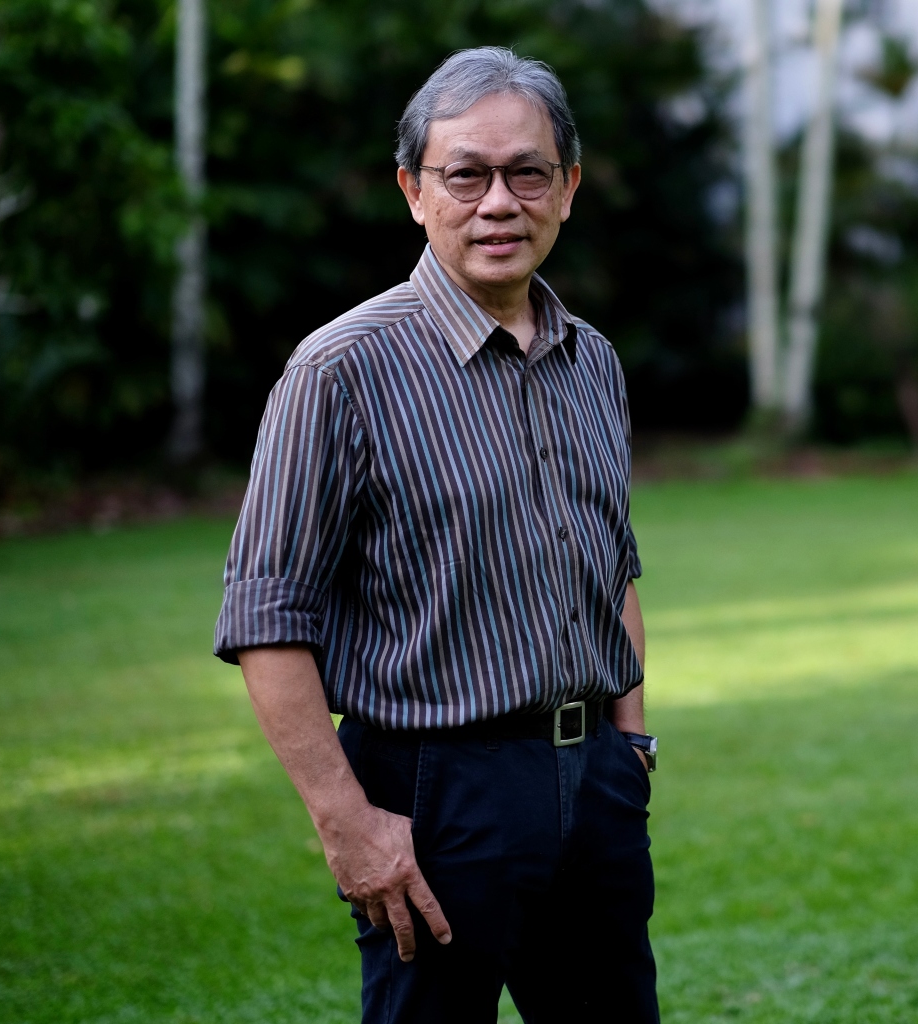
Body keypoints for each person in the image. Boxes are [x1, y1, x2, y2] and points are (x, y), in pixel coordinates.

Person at [213, 47, 659, 1023]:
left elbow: (611, 564)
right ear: (414, 191)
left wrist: (630, 744)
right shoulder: (339, 371)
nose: (499, 202)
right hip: (431, 797)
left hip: (596, 787)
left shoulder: (593, 361)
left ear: (568, 188)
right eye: (466, 175)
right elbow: (264, 618)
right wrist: (347, 824)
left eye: (527, 172)